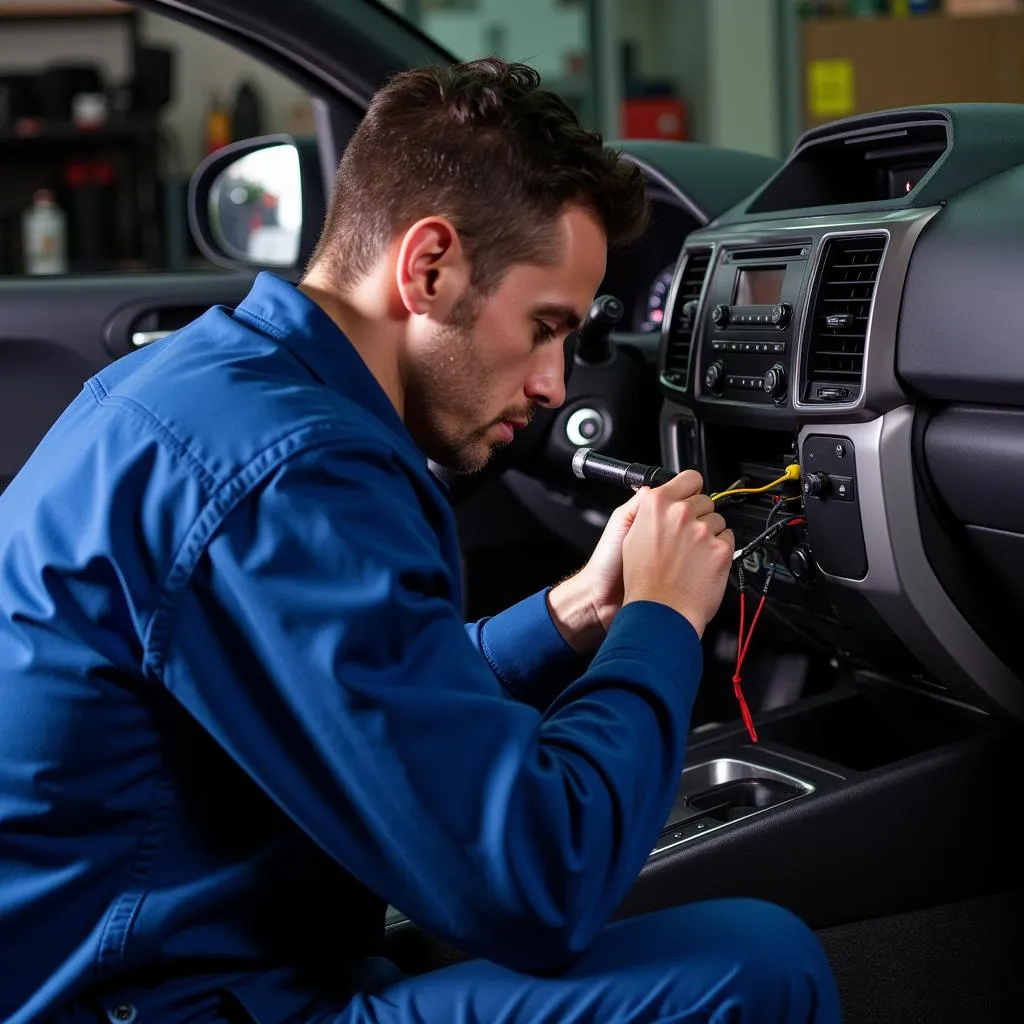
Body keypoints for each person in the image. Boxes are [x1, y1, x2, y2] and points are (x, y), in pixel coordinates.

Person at [0, 59, 840, 1024]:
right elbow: (539, 883)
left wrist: (579, 613)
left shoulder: (210, 389)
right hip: (160, 1000)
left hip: (170, 960)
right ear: (428, 266)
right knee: (753, 965)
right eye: (544, 327)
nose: (556, 385)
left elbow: (374, 701)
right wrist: (659, 622)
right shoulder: (297, 476)